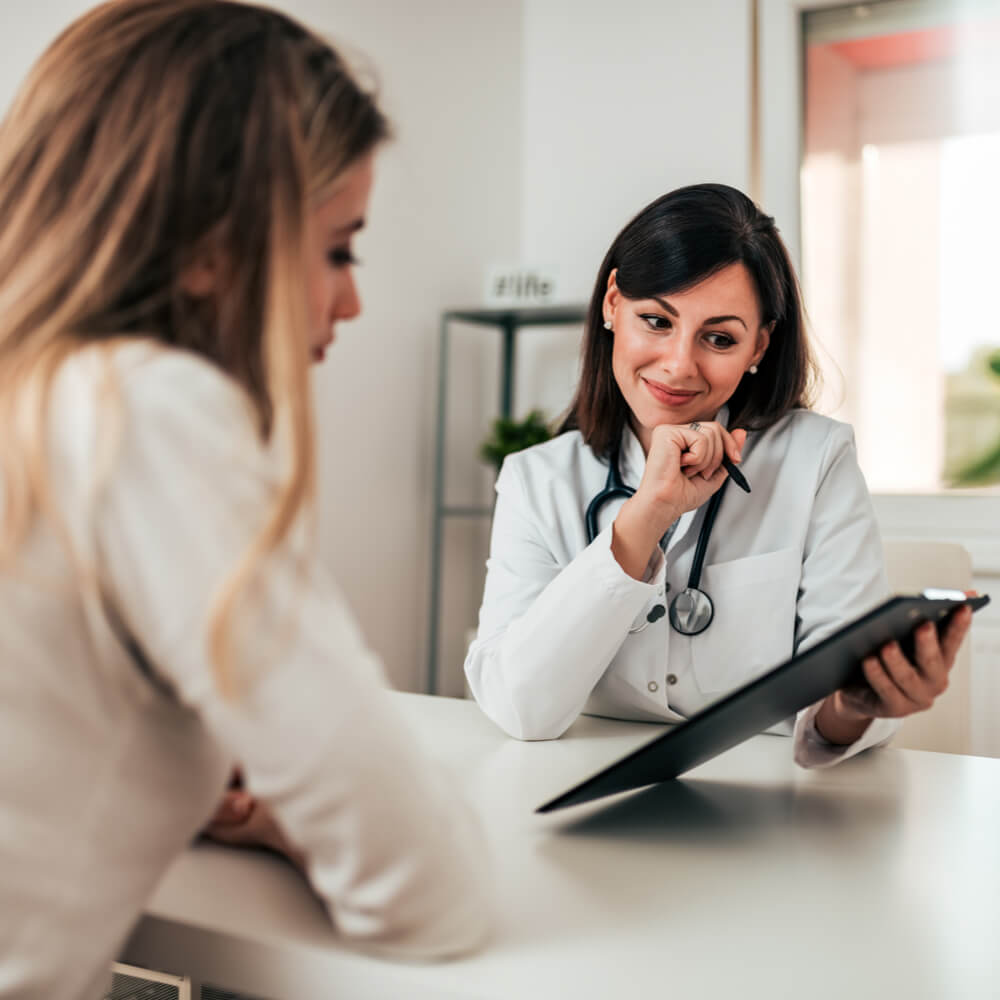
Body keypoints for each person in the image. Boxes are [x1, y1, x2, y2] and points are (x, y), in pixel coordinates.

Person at [0, 2, 492, 995]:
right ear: (214, 245)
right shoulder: (141, 408)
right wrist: (284, 802)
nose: (349, 300)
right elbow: (423, 888)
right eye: (339, 249)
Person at [464, 183, 972, 763]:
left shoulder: (816, 460)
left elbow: (830, 703)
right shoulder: (537, 480)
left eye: (720, 338)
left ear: (760, 344)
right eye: (656, 320)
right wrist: (644, 518)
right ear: (612, 304)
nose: (679, 365)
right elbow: (520, 709)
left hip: (772, 809)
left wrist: (856, 705)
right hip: (578, 793)